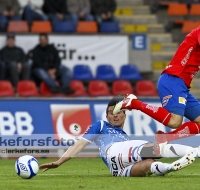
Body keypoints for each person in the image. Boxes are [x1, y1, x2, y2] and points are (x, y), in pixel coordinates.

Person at [40, 98, 198, 177]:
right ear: (107, 116)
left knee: (147, 165)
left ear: (124, 114)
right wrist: (59, 161)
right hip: (114, 152)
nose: (115, 116)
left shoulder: (124, 137)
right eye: (111, 113)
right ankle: (195, 151)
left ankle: (171, 167)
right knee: (156, 148)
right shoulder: (100, 126)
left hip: (116, 170)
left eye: (118, 112)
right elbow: (80, 144)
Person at [113, 26, 200, 155]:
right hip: (174, 79)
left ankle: (166, 138)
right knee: (175, 121)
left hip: (181, 84)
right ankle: (134, 103)